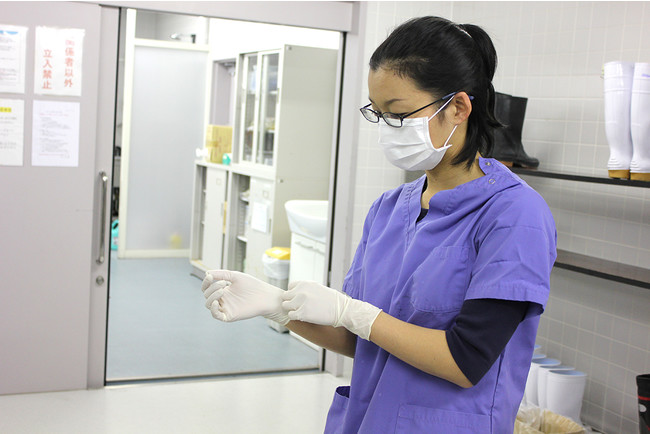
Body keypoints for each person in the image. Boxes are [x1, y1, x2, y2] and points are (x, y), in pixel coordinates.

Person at [201, 16, 557, 433]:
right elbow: (358, 338)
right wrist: (278, 306)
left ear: (458, 108)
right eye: (378, 113)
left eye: (399, 114)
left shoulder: (514, 215)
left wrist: (354, 313)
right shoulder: (389, 209)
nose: (388, 128)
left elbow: (466, 360)